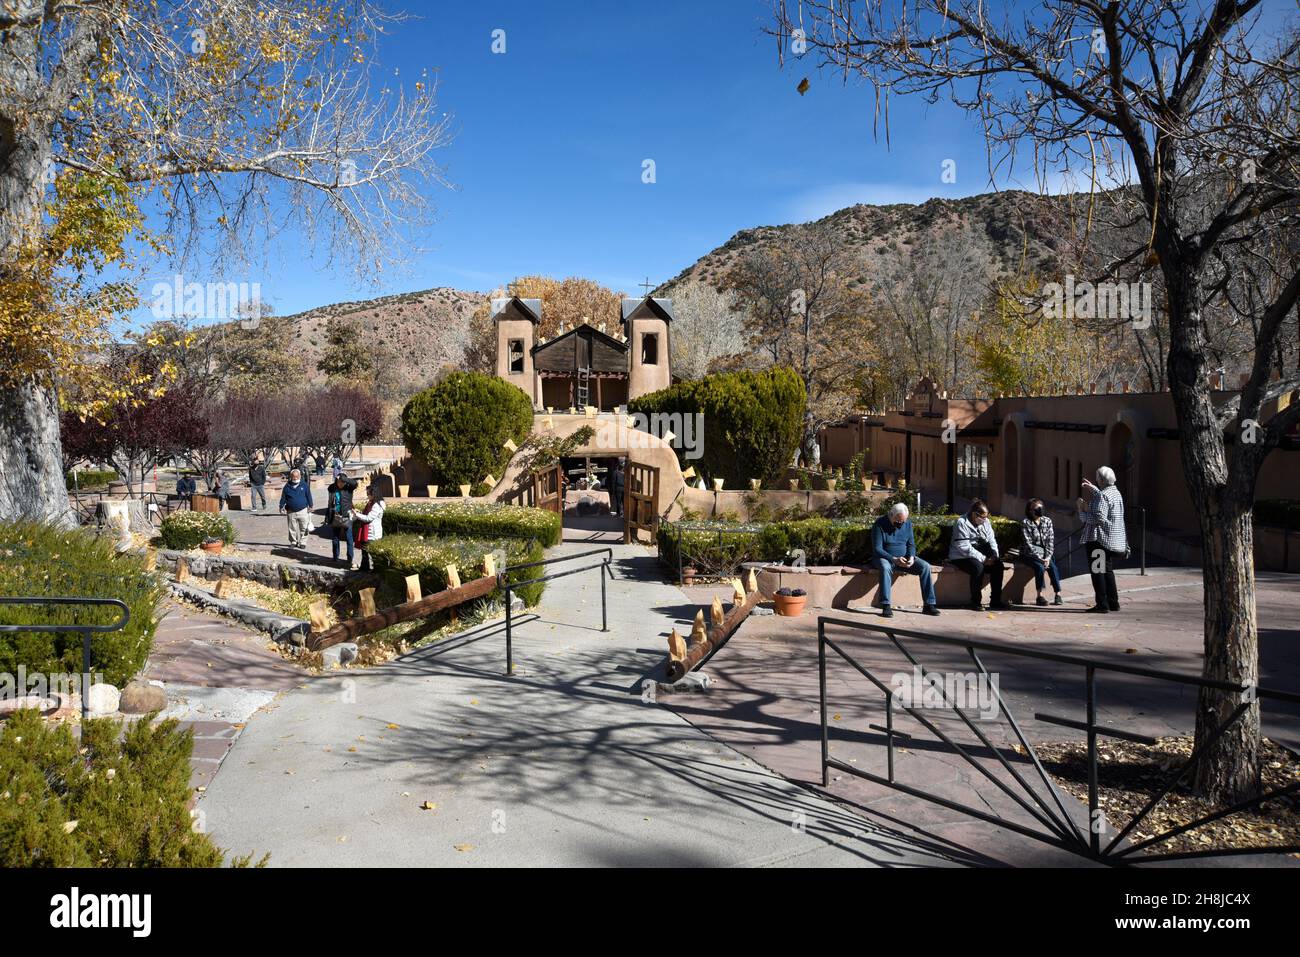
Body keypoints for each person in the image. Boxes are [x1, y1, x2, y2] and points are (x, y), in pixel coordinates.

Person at [870, 503, 941, 618]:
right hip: (885, 558)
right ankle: (886, 605)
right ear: (891, 515)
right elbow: (877, 549)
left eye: (903, 521)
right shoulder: (879, 524)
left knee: (925, 566)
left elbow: (911, 544)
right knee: (885, 567)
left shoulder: (907, 524)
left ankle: (929, 604)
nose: (901, 524)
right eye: (898, 521)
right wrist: (893, 559)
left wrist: (911, 557)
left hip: (904, 558)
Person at [1078, 466, 1128, 613]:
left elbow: (1099, 517)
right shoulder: (1116, 493)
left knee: (1098, 571)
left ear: (1101, 479)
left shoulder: (1102, 496)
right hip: (1110, 540)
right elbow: (1103, 499)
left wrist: (1081, 510)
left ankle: (1102, 604)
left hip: (1098, 540)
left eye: (1097, 477)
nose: (1096, 479)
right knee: (1107, 571)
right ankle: (1113, 603)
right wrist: (1093, 488)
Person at [948, 499, 1008, 611]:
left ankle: (995, 600)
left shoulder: (986, 522)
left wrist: (994, 555)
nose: (985, 520)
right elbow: (963, 547)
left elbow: (991, 539)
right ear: (974, 514)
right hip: (961, 556)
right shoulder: (961, 522)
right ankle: (975, 602)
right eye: (982, 517)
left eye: (986, 517)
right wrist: (984, 559)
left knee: (998, 565)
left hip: (980, 552)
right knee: (978, 568)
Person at [1020, 498, 1063, 606]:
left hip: (1045, 553)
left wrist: (1047, 557)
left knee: (1052, 567)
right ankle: (1040, 596)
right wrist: (1039, 558)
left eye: (1041, 507)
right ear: (1030, 510)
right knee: (1039, 567)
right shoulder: (1026, 523)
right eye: (1037, 508)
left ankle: (1058, 594)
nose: (1040, 510)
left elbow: (1050, 541)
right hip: (1028, 554)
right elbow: (1028, 544)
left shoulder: (1047, 521)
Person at [325, 471, 359, 568]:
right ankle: (335, 557)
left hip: (346, 516)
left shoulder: (349, 488)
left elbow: (355, 483)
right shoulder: (332, 488)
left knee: (349, 538)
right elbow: (329, 498)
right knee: (335, 538)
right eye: (339, 482)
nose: (340, 484)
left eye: (342, 482)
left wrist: (344, 479)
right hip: (335, 516)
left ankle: (349, 558)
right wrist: (337, 477)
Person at [351, 485, 385, 571]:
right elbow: (366, 514)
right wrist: (359, 512)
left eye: (368, 493)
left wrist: (356, 514)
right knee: (364, 551)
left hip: (372, 533)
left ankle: (377, 570)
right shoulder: (371, 502)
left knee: (373, 553)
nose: (367, 495)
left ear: (374, 494)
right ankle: (364, 567)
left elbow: (368, 518)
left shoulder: (377, 505)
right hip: (366, 531)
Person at [279, 468, 313, 549]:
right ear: (291, 477)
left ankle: (303, 542)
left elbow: (309, 496)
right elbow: (283, 497)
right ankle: (293, 541)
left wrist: (311, 506)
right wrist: (281, 506)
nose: (295, 478)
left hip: (303, 510)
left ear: (300, 476)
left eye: (297, 477)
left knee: (304, 528)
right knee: (292, 528)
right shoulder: (287, 486)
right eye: (294, 477)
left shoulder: (304, 485)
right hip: (291, 511)